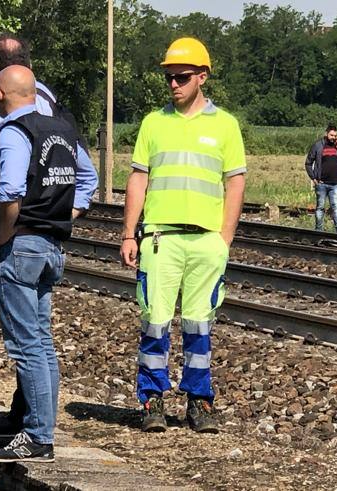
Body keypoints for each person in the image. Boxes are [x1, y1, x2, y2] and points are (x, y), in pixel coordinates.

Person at [0, 65, 97, 463]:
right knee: (41, 343)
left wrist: (7, 236)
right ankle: (34, 425)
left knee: (26, 347)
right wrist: (61, 218)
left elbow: (9, 191)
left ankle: (38, 436)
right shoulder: (62, 130)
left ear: (1, 94)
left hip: (21, 249)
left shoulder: (14, 132)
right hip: (51, 249)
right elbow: (88, 182)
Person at [120, 38, 246, 434]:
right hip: (160, 239)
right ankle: (151, 399)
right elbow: (138, 179)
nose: (173, 84)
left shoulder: (225, 125)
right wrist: (128, 234)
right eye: (169, 77)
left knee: (199, 324)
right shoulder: (153, 123)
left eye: (182, 77)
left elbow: (235, 183)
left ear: (202, 77)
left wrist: (223, 238)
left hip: (206, 241)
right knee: (154, 322)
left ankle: (199, 401)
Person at [305, 124, 337, 234]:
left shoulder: (336, 146)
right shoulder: (318, 146)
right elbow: (308, 163)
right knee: (320, 208)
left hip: (335, 184)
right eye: (331, 135)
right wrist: (313, 178)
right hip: (321, 183)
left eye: (335, 135)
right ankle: (319, 230)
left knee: (336, 208)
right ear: (326, 133)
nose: (333, 137)